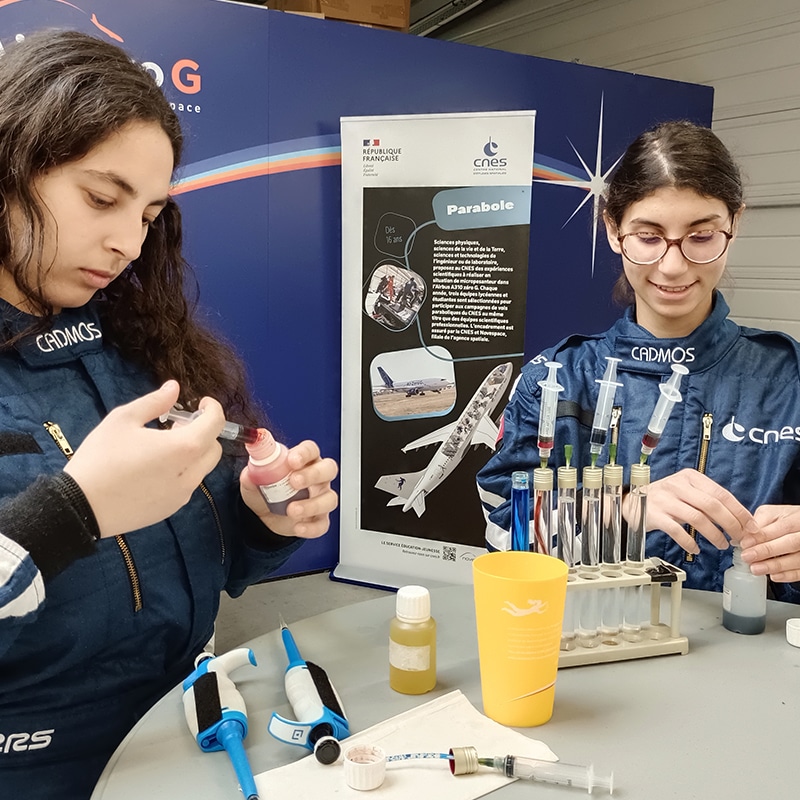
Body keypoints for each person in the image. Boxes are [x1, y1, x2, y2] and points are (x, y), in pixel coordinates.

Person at [0, 30, 338, 798]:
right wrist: (70, 513)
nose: (125, 242)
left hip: (191, 742)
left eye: (149, 213)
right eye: (100, 197)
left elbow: (195, 562)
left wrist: (261, 518)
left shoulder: (136, 346)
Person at [477, 119, 800, 605]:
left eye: (701, 236)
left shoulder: (788, 377)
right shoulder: (557, 380)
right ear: (612, 228)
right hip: (598, 649)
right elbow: (504, 538)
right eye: (648, 237)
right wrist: (618, 512)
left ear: (735, 225)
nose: (673, 266)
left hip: (753, 660)